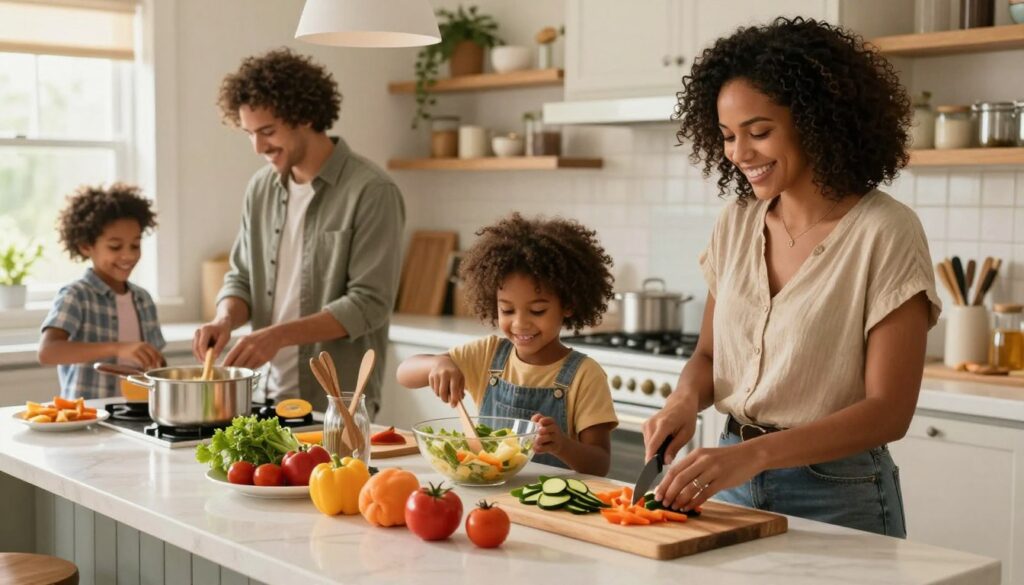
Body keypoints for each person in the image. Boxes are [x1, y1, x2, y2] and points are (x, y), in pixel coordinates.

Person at [641, 17, 941, 537]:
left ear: (817, 121)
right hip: (726, 482)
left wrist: (755, 456)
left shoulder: (886, 231)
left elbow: (889, 411)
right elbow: (709, 357)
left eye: (759, 132)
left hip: (838, 493)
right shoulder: (736, 223)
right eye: (728, 136)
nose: (739, 154)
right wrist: (682, 401)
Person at [193, 48, 405, 416]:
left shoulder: (371, 191)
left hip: (337, 405)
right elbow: (241, 277)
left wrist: (276, 335)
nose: (259, 147)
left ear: (305, 116)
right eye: (249, 134)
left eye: (268, 131)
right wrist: (225, 318)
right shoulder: (260, 188)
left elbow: (369, 304)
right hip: (265, 397)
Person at [396, 214, 618, 474]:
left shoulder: (585, 375)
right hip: (492, 497)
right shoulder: (488, 355)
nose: (520, 324)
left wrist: (562, 446)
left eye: (537, 311)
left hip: (551, 507)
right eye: (507, 310)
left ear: (568, 305)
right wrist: (438, 363)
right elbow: (404, 374)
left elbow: (600, 464)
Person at [38, 184, 165, 399]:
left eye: (135, 245)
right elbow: (48, 351)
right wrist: (117, 349)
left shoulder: (143, 299)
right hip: (88, 416)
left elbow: (157, 361)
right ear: (86, 246)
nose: (128, 256)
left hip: (137, 413)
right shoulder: (76, 295)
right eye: (115, 247)